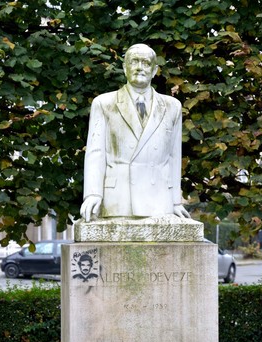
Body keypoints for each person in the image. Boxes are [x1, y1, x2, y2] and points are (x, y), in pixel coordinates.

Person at [80, 43, 190, 222]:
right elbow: (96, 153)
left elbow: (173, 157)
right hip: (118, 200)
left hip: (159, 200)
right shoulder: (104, 103)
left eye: (146, 63)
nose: (140, 67)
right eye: (134, 62)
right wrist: (93, 194)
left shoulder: (172, 107)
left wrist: (175, 201)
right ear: (125, 68)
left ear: (154, 71)